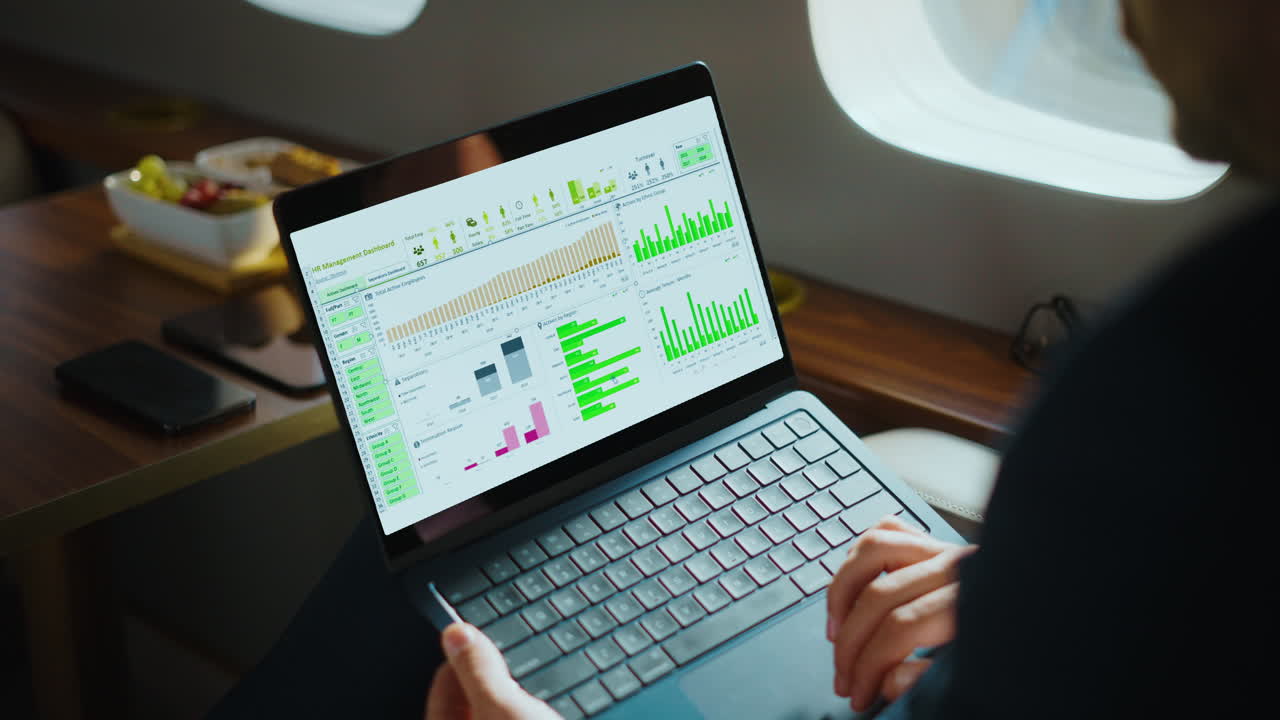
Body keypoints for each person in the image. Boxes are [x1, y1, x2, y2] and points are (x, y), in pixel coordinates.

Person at [212, 1, 1279, 717]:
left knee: (440, 548)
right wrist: (986, 591)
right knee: (460, 530)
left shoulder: (1179, 401)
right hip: (909, 603)